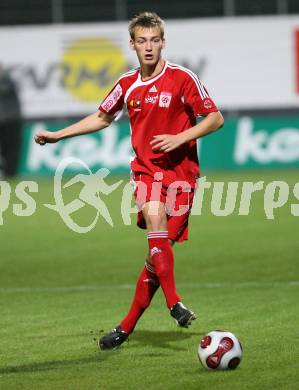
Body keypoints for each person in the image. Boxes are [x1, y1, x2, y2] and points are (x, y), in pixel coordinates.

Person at [35, 12, 224, 350]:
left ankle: (125, 327)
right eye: (142, 41)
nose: (149, 47)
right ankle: (175, 303)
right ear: (133, 45)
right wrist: (59, 135)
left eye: (154, 40)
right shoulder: (127, 84)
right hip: (146, 171)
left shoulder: (182, 78)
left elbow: (215, 118)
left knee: (155, 258)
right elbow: (101, 116)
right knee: (155, 221)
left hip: (182, 175)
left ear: (163, 42)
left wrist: (180, 138)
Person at [0, 64, 22, 177]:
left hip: (10, 121)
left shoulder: (6, 79)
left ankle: (10, 173)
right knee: (5, 149)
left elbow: (4, 89)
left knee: (11, 149)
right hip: (3, 121)